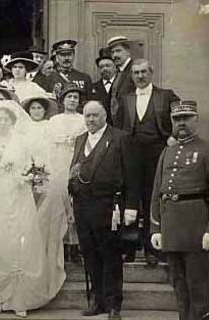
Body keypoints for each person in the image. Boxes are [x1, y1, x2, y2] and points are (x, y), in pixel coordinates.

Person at [0, 100, 63, 318]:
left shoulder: (24, 141)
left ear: (13, 120)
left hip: (21, 194)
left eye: (6, 118)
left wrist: (29, 177)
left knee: (22, 236)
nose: (2, 122)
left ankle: (21, 298)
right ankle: (2, 295)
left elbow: (37, 166)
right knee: (0, 240)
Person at [68, 101, 140, 320]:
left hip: (109, 207)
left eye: (95, 115)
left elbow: (133, 176)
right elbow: (74, 171)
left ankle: (113, 305)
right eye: (87, 116)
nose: (91, 119)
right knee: (89, 254)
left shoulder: (120, 138)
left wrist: (131, 207)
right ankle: (96, 301)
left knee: (111, 256)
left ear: (105, 116)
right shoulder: (81, 139)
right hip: (83, 206)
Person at [150, 100, 209, 320]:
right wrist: (156, 228)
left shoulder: (208, 149)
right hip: (171, 227)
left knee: (197, 284)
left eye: (186, 118)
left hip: (196, 226)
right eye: (177, 119)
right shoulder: (167, 152)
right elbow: (157, 193)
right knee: (178, 283)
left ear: (196, 120)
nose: (181, 123)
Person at [116, 59, 180, 265]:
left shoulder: (165, 95)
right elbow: (117, 127)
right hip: (131, 152)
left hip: (157, 152)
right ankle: (130, 248)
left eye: (144, 72)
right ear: (132, 76)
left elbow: (183, 116)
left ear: (151, 73)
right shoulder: (125, 99)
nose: (140, 76)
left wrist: (174, 137)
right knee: (130, 197)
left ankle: (152, 248)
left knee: (152, 197)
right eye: (136, 73)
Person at [44, 83, 87, 263]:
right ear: (63, 100)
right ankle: (60, 244)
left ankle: (76, 246)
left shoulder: (83, 119)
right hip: (59, 162)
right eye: (69, 97)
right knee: (59, 201)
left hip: (77, 161)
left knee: (76, 201)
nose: (72, 100)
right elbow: (48, 143)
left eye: (75, 97)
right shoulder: (54, 120)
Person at [106, 36, 135, 125]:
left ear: (128, 52)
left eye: (118, 51)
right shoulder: (119, 72)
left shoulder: (134, 69)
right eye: (112, 52)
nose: (115, 55)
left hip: (130, 125)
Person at [91, 48, 117, 124]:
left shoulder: (121, 85)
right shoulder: (93, 87)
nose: (104, 69)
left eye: (108, 66)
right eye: (101, 67)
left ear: (115, 67)